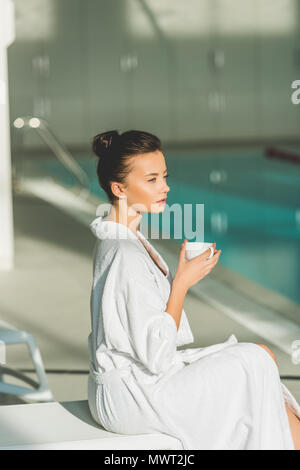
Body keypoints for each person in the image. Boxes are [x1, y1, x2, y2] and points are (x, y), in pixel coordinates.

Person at [87, 129, 300, 450]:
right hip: (131, 397)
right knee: (254, 361)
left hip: (129, 385)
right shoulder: (125, 253)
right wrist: (182, 283)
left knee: (261, 359)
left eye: (165, 177)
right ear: (119, 188)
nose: (165, 187)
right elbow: (156, 356)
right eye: (152, 180)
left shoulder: (120, 240)